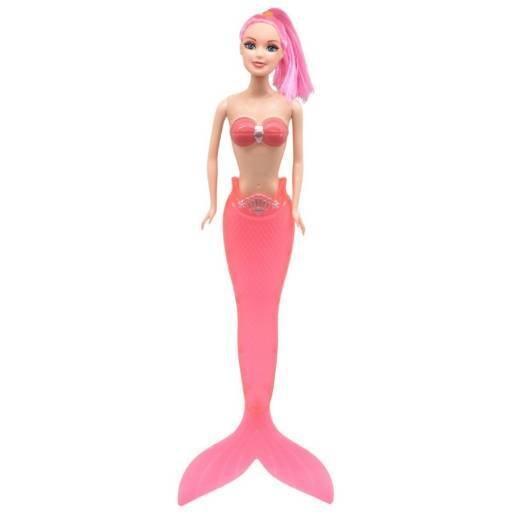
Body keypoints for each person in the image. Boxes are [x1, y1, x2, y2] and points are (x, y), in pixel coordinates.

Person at [178, 8, 333, 505]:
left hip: (280, 217)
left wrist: (299, 206)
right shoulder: (227, 105)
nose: (260, 54)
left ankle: (262, 419)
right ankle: (251, 418)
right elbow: (210, 155)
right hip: (238, 216)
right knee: (246, 307)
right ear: (239, 47)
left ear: (285, 53)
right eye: (251, 44)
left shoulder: (291, 109)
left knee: (269, 308)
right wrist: (209, 203)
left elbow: (301, 159)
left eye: (270, 46)